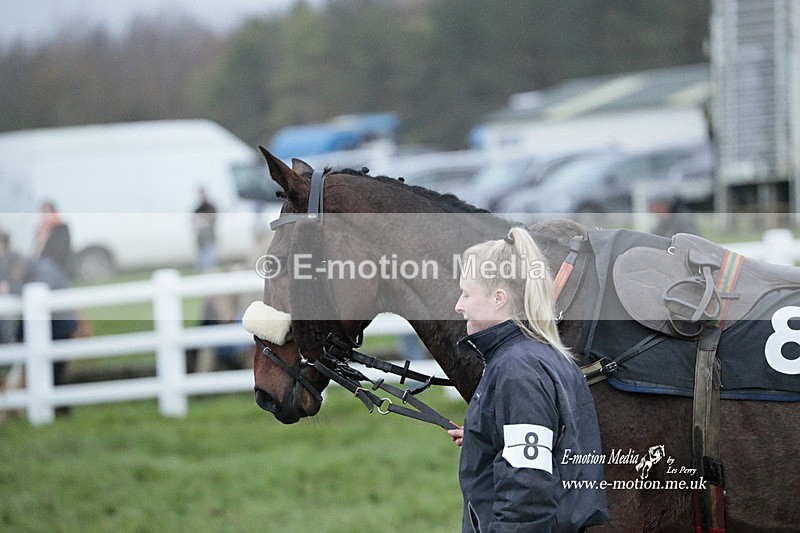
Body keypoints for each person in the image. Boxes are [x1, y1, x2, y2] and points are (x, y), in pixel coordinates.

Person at [447, 227, 608, 532]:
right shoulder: (535, 355)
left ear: (499, 298)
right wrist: (484, 436)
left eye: (467, 294)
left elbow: (528, 491)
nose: (459, 305)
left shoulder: (519, 369)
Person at [33, 201, 73, 279]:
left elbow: (60, 250)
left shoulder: (62, 228)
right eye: (43, 213)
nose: (45, 216)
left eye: (47, 212)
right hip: (42, 265)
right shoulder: (41, 230)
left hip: (56, 267)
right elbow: (36, 251)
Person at [192, 187, 218, 272]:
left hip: (210, 236)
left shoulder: (210, 207)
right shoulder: (197, 208)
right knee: (202, 257)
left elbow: (213, 219)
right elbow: (194, 221)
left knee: (210, 255)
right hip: (201, 237)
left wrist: (204, 219)